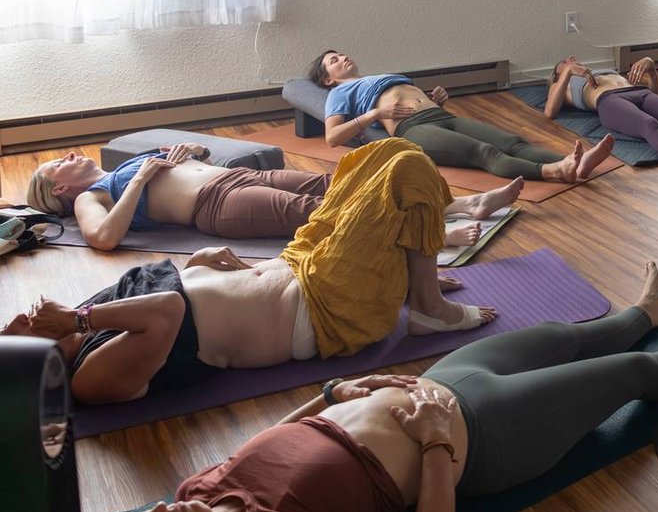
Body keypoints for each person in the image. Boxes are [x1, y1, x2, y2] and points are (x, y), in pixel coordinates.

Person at [91, 265, 658, 512]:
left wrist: (332, 395)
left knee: (561, 334)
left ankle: (648, 311)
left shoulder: (197, 490)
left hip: (435, 384)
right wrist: (434, 442)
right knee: (632, 373)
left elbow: (275, 441)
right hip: (482, 435)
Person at [3, 140, 494, 405]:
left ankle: (409, 280)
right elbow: (167, 312)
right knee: (405, 165)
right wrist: (75, 319)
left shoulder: (86, 322)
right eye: (9, 334)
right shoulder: (89, 378)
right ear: (27, 367)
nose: (16, 320)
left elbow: (177, 296)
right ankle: (428, 306)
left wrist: (196, 264)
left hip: (297, 264)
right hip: (326, 306)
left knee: (374, 159)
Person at [24, 143, 521, 250]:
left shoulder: (120, 165)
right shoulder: (93, 196)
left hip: (235, 176)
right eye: (57, 164)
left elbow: (195, 159)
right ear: (60, 188)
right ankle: (431, 234)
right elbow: (103, 239)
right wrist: (139, 179)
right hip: (217, 207)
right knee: (321, 212)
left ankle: (463, 204)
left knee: (339, 184)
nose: (67, 156)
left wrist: (191, 152)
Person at [311, 49, 615, 184]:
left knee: (513, 141)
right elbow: (332, 138)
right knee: (485, 152)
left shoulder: (377, 77)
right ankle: (553, 171)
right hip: (412, 128)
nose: (343, 58)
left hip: (439, 115)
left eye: (341, 54)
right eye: (334, 61)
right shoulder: (339, 93)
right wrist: (378, 113)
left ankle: (574, 162)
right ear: (328, 79)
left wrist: (435, 100)